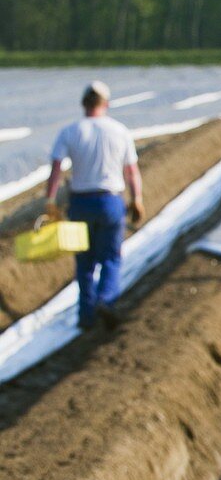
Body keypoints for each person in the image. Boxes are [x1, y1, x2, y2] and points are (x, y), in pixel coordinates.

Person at [44, 81, 144, 329]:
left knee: (85, 262)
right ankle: (106, 301)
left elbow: (56, 169)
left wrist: (49, 200)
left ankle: (86, 316)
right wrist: (137, 199)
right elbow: (131, 171)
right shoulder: (119, 131)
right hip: (110, 201)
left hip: (80, 203)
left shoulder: (70, 131)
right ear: (106, 104)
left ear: (83, 103)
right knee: (110, 257)